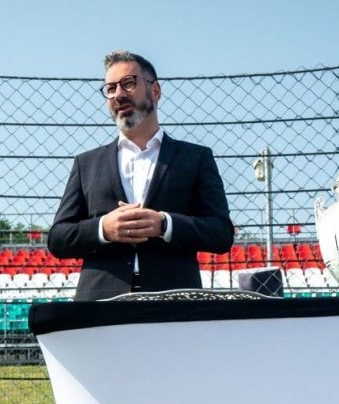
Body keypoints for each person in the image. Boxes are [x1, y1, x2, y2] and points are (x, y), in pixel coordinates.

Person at [48, 50, 234, 301]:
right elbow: (58, 238)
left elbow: (221, 234)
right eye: (110, 88)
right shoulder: (87, 163)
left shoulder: (196, 158)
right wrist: (104, 228)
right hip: (99, 304)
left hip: (173, 301)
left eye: (128, 83)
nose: (118, 94)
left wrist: (165, 224)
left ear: (155, 91)